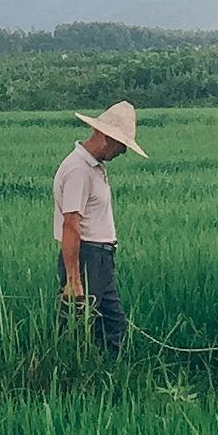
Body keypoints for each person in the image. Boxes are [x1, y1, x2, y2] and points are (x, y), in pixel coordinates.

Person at [53, 101, 146, 352]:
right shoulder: (78, 170)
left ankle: (112, 377)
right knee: (80, 323)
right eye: (121, 146)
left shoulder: (94, 167)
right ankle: (70, 375)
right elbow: (70, 224)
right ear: (106, 138)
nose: (122, 153)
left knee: (113, 326)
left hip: (102, 257)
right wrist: (74, 279)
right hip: (87, 256)